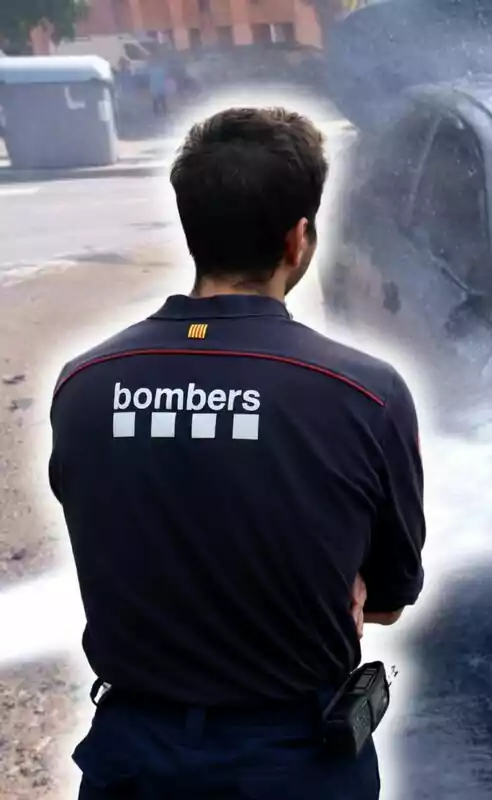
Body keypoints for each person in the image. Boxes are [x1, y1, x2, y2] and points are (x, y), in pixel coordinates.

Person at [48, 107, 426, 799]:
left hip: (131, 758)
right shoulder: (363, 393)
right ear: (297, 239)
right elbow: (392, 597)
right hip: (293, 761)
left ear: (193, 229)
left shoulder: (83, 384)